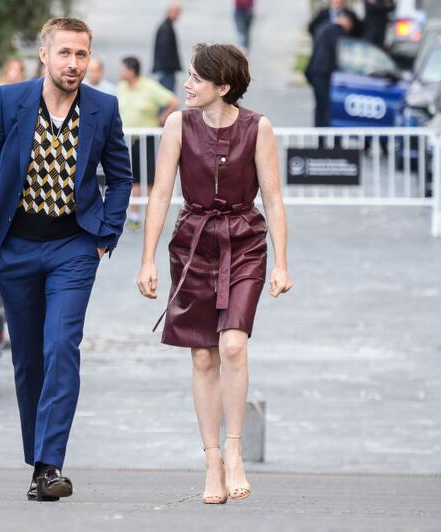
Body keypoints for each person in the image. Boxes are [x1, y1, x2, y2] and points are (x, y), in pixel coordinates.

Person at [0, 17, 132, 502]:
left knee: (62, 346)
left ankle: (49, 465)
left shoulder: (103, 108)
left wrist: (106, 233)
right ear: (45, 54)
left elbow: (120, 177)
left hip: (72, 248)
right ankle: (38, 461)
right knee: (29, 360)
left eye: (81, 54)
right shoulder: (8, 100)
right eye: (65, 53)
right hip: (15, 248)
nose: (73, 64)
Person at [137, 42, 292, 505]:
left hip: (244, 241)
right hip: (193, 243)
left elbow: (274, 197)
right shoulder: (176, 125)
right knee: (202, 356)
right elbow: (161, 194)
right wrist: (146, 259)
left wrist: (282, 260)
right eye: (187, 76)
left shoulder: (258, 127)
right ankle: (211, 462)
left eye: (197, 79)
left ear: (223, 87)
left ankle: (235, 450)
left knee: (232, 344)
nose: (187, 85)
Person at [116, 56, 178, 228]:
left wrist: (163, 118)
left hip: (147, 138)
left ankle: (153, 214)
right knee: (132, 178)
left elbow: (172, 101)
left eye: (123, 69)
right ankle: (134, 216)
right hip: (127, 140)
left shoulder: (149, 87)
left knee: (149, 178)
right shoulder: (121, 88)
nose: (120, 72)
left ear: (131, 70)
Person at [305, 14, 354, 129]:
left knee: (320, 107)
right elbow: (339, 54)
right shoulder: (337, 31)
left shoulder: (324, 27)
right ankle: (328, 141)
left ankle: (320, 140)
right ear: (345, 21)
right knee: (327, 107)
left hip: (315, 72)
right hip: (324, 73)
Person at [153, 2, 183, 92]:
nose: (178, 16)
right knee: (167, 97)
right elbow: (165, 51)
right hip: (166, 70)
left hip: (164, 69)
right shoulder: (166, 28)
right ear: (171, 12)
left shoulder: (166, 26)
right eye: (177, 13)